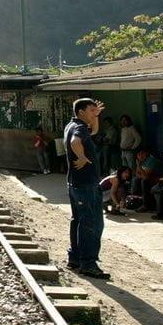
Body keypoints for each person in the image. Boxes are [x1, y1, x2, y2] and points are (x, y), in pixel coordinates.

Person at [64, 97, 109, 279]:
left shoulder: (73, 124)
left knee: (78, 221)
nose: (94, 113)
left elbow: (94, 130)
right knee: (92, 224)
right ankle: (88, 263)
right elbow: (76, 142)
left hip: (76, 183)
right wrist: (81, 157)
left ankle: (75, 258)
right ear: (82, 112)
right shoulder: (79, 128)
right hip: (86, 184)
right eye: (92, 111)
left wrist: (96, 116)